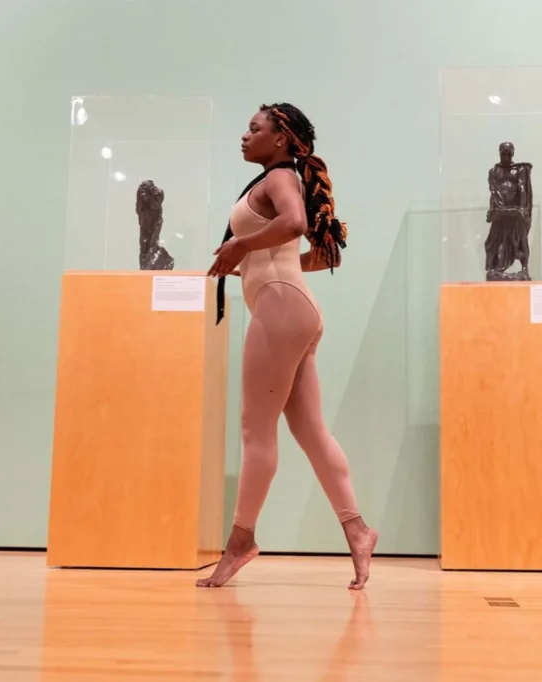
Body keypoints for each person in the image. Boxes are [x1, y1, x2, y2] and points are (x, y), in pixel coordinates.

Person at [199, 103, 378, 590]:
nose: (244, 135)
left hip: (281, 313)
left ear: (280, 139)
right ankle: (358, 531)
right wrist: (253, 266)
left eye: (254, 128)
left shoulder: (279, 179)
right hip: (293, 308)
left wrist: (241, 247)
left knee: (257, 433)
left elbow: (296, 223)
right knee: (311, 432)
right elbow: (317, 254)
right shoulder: (279, 178)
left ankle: (241, 541)